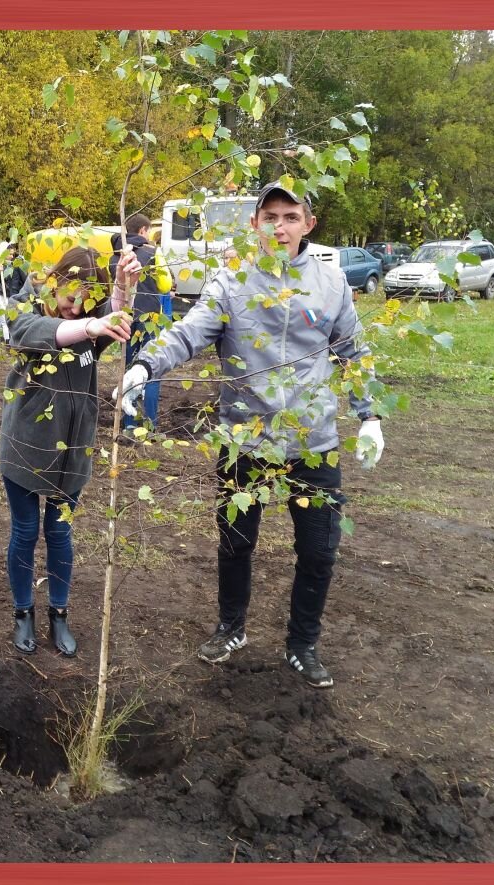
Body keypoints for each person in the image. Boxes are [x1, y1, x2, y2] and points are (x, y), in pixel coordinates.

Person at [119, 182, 385, 689]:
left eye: (290, 216)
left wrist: (369, 415)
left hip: (313, 442)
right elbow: (189, 332)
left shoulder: (330, 285)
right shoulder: (233, 281)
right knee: (236, 542)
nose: (279, 227)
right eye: (269, 217)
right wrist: (145, 365)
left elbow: (354, 352)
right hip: (245, 441)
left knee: (318, 551)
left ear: (309, 224)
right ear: (254, 225)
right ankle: (231, 628)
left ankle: (303, 645)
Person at [0, 245, 140, 656]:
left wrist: (122, 289)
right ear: (55, 280)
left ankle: (59, 614)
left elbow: (110, 321)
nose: (77, 305)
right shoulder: (25, 312)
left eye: (86, 297)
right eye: (71, 293)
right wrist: (91, 328)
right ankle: (23, 613)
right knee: (25, 531)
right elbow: (42, 334)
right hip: (26, 446)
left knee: (59, 531)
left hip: (72, 451)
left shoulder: (88, 324)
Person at [110, 213, 166, 437]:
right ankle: (150, 424)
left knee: (128, 368)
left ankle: (128, 423)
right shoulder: (153, 252)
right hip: (150, 317)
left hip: (125, 317)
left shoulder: (114, 255)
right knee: (150, 367)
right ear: (143, 230)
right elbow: (165, 284)